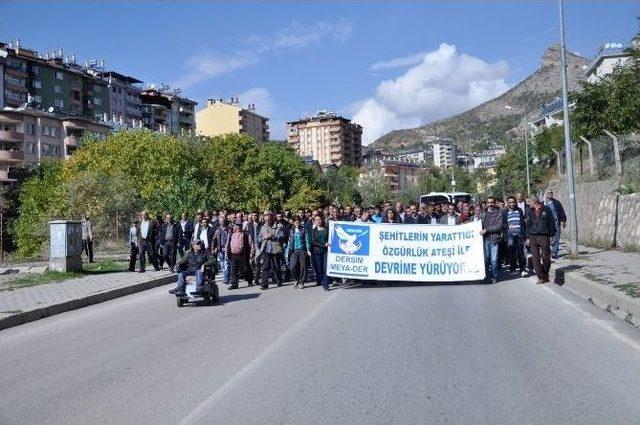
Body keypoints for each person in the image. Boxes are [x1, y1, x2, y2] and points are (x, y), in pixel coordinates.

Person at [526, 195, 556, 284]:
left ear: (534, 202)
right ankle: (541, 277)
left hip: (544, 236)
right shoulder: (529, 211)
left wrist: (551, 235)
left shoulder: (546, 209)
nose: (528, 204)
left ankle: (545, 273)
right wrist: (527, 237)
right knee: (535, 258)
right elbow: (528, 225)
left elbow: (551, 222)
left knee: (545, 257)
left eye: (529, 202)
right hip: (533, 236)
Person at [258, 212, 285, 290]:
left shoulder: (279, 226)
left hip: (275, 248)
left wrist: (273, 236)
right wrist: (264, 237)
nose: (267, 221)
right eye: (266, 220)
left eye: (269, 220)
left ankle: (279, 280)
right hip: (266, 249)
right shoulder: (263, 227)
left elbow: (282, 237)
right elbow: (259, 238)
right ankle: (264, 284)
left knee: (276, 266)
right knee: (265, 266)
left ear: (272, 218)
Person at [480, 197, 504, 284]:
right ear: (487, 203)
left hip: (494, 239)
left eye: (492, 202)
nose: (490, 204)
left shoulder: (499, 213)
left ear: (495, 203)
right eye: (489, 202)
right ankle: (486, 275)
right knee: (486, 260)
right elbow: (477, 225)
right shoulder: (482, 214)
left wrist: (487, 230)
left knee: (494, 260)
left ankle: (494, 276)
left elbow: (499, 226)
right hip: (485, 240)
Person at [503, 196, 528, 276]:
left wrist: (525, 235)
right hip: (510, 236)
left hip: (519, 235)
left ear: (515, 202)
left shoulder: (519, 210)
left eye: (513, 202)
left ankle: (522, 269)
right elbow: (502, 225)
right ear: (507, 203)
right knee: (512, 253)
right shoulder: (505, 212)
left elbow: (523, 224)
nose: (512, 204)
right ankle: (512, 268)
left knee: (521, 253)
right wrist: (507, 227)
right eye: (510, 202)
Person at [226, 221, 252, 289]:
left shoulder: (245, 234)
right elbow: (228, 243)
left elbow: (250, 243)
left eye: (240, 225)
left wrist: (252, 252)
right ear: (235, 226)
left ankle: (249, 281)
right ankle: (234, 284)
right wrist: (227, 252)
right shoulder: (231, 234)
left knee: (245, 269)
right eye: (237, 225)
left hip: (242, 255)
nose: (238, 227)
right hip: (233, 255)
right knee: (233, 270)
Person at [288, 216, 312, 289]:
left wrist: (308, 250)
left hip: (302, 250)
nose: (297, 223)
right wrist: (288, 250)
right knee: (292, 267)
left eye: (298, 222)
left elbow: (306, 240)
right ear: (294, 223)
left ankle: (301, 282)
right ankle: (296, 279)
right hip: (294, 250)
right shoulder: (291, 230)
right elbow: (290, 241)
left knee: (303, 267)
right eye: (296, 222)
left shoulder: (303, 229)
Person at [544, 189, 567, 259]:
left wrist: (563, 220)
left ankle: (554, 252)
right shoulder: (543, 203)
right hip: (546, 223)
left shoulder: (556, 202)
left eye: (551, 193)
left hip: (555, 221)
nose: (550, 194)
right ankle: (547, 252)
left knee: (556, 237)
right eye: (549, 193)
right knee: (546, 238)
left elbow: (561, 212)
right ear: (545, 194)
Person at [310, 215, 330, 290]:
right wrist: (323, 245)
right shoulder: (313, 231)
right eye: (316, 220)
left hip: (326, 251)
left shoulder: (326, 229)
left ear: (322, 220)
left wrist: (328, 243)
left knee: (325, 268)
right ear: (314, 221)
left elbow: (330, 237)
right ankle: (321, 280)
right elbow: (313, 242)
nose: (318, 221)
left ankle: (326, 284)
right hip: (317, 252)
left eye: (319, 219)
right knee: (319, 269)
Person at [213, 216, 232, 285]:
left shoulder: (229, 229)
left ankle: (226, 278)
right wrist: (214, 248)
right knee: (222, 264)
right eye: (220, 221)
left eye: (223, 221)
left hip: (227, 248)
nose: (221, 223)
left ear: (225, 221)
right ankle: (227, 276)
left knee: (226, 264)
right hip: (220, 249)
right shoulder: (218, 230)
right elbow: (214, 239)